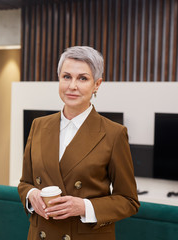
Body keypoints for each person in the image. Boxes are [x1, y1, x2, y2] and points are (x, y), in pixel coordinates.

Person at [18, 46, 139, 240]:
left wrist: (84, 207)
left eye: (82, 78)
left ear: (97, 84)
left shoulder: (114, 134)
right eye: (66, 76)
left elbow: (129, 201)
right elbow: (25, 182)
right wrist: (31, 194)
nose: (72, 86)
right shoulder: (38, 125)